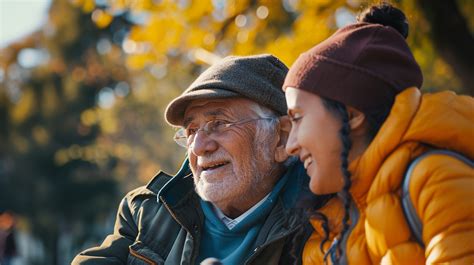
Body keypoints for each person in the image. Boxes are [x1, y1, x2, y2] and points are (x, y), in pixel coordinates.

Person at [73, 54, 329, 265]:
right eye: (191, 130)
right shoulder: (147, 211)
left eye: (220, 123)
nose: (198, 146)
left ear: (282, 138)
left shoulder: (328, 219)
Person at [282, 3, 474, 265]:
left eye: (297, 118)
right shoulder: (331, 230)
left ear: (351, 115)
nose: (290, 146)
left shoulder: (436, 182)